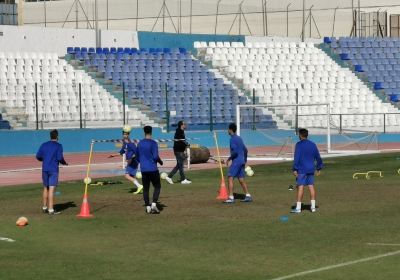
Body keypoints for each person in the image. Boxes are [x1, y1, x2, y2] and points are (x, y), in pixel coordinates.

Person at [36, 129, 68, 215]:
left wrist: (45, 159)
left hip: (45, 168)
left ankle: (44, 207)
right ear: (57, 136)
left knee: (45, 188)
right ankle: (51, 210)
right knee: (51, 189)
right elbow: (60, 158)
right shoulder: (58, 146)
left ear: (50, 136)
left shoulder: (44, 145)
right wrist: (65, 163)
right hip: (53, 169)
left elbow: (38, 156)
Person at [291, 128, 323, 213]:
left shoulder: (298, 145)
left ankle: (298, 208)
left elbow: (296, 157)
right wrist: (319, 168)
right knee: (311, 186)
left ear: (300, 135)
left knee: (300, 187)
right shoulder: (313, 144)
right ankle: (313, 207)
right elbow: (318, 157)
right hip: (311, 169)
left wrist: (295, 169)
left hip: (301, 169)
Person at [136, 126, 164, 214]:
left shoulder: (140, 143)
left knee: (146, 188)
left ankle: (147, 206)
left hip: (144, 169)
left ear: (144, 132)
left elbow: (137, 156)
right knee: (157, 186)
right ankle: (154, 205)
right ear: (151, 132)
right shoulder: (153, 143)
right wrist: (160, 161)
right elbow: (155, 156)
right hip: (152, 169)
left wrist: (143, 163)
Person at [109, 127, 143, 194]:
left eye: (125, 134)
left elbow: (137, 152)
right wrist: (113, 155)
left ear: (128, 135)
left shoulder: (131, 144)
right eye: (123, 134)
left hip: (133, 161)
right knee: (132, 176)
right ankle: (140, 188)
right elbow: (121, 152)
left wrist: (132, 157)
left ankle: (140, 186)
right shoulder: (125, 143)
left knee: (127, 175)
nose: (124, 135)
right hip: (131, 162)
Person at [224, 123, 252, 204]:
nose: (227, 130)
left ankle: (231, 197)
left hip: (236, 161)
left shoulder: (232, 139)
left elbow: (235, 151)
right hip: (242, 161)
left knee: (230, 177)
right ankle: (248, 195)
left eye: (228, 129)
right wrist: (245, 160)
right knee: (241, 179)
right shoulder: (239, 138)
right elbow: (246, 150)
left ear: (230, 130)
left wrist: (229, 159)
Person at [165, 120, 191, 185]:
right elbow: (181, 141)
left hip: (179, 150)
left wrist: (185, 145)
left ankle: (169, 177)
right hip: (178, 150)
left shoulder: (181, 131)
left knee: (179, 165)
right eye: (184, 124)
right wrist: (186, 144)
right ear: (181, 125)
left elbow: (182, 141)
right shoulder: (179, 131)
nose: (185, 125)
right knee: (180, 165)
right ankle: (182, 179)